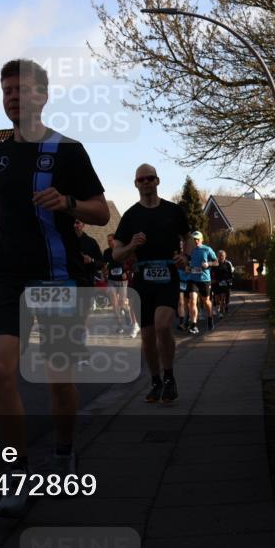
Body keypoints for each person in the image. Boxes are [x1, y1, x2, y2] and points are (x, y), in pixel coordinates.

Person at [0, 58, 109, 516]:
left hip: (58, 275)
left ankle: (64, 449)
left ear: (42, 96)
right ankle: (18, 472)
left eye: (21, 89)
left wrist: (67, 202)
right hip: (7, 276)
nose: (12, 97)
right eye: (6, 90)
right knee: (1, 370)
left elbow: (101, 212)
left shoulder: (69, 150)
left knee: (57, 376)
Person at [112, 164, 191, 405]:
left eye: (150, 178)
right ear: (136, 184)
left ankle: (169, 378)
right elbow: (116, 254)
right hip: (142, 278)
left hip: (167, 274)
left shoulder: (173, 211)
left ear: (158, 181)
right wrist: (132, 245)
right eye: (141, 179)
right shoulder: (130, 216)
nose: (146, 182)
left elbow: (187, 237)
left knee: (163, 326)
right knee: (146, 336)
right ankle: (155, 381)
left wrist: (184, 256)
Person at [102, 233, 139, 337]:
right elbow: (104, 265)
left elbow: (128, 263)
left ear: (115, 241)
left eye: (110, 240)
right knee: (114, 304)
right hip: (111, 280)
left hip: (122, 280)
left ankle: (126, 311)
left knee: (122, 302)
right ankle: (120, 325)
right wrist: (104, 271)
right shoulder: (106, 252)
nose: (109, 242)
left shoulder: (122, 250)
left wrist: (125, 271)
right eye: (107, 241)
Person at [185, 231, 218, 333]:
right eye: (194, 239)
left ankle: (210, 318)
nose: (196, 241)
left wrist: (208, 264)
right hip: (193, 279)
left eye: (197, 239)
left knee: (206, 301)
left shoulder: (207, 249)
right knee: (192, 301)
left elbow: (216, 262)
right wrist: (188, 268)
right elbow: (190, 264)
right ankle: (194, 324)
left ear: (201, 239)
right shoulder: (192, 251)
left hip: (204, 280)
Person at [213, 249, 235, 318]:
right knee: (217, 299)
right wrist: (212, 280)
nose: (221, 257)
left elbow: (231, 274)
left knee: (223, 298)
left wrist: (230, 280)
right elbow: (211, 273)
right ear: (217, 256)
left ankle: (221, 312)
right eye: (219, 256)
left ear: (225, 256)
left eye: (222, 256)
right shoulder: (215, 264)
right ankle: (218, 307)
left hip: (224, 283)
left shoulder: (227, 264)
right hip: (216, 283)